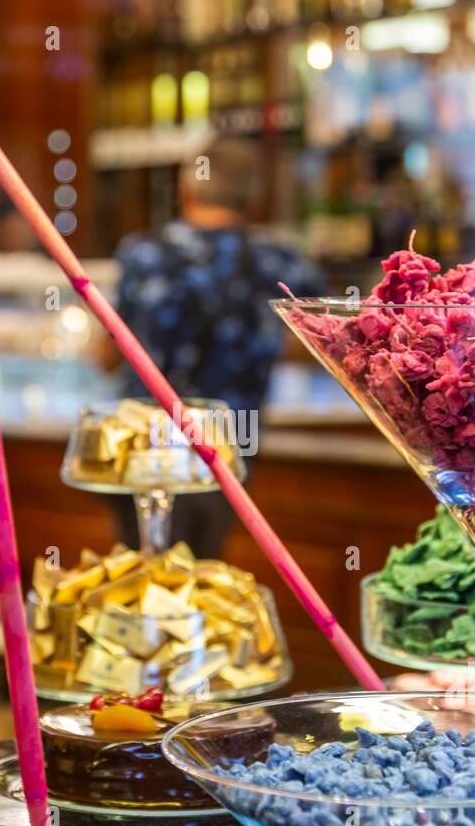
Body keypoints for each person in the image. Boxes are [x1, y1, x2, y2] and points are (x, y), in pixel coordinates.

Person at [99, 138, 324, 557]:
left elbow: (107, 355)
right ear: (254, 202)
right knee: (203, 567)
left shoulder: (143, 253)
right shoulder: (280, 260)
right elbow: (329, 342)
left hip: (143, 438)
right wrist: (259, 343)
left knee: (141, 567)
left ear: (187, 192)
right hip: (235, 438)